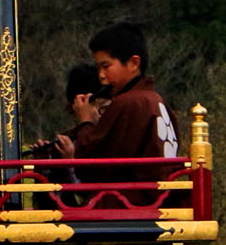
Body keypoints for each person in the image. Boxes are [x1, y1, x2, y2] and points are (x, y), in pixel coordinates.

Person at [54, 22, 178, 181]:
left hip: (129, 200)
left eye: (106, 66)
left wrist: (85, 122)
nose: (101, 75)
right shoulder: (156, 100)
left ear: (133, 63)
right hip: (157, 199)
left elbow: (95, 165)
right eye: (98, 68)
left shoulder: (128, 103)